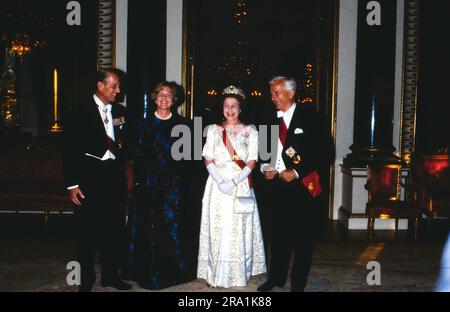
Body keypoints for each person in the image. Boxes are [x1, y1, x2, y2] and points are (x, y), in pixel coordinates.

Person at [257, 76, 329, 292]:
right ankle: (275, 278)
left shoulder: (312, 118)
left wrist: (297, 172)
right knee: (277, 237)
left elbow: (324, 153)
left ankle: (298, 284)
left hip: (301, 188)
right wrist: (265, 169)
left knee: (302, 240)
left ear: (291, 93)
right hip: (275, 188)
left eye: (277, 92)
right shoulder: (268, 118)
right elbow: (263, 153)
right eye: (271, 93)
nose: (273, 97)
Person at [63, 68, 132, 292]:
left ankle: (111, 276)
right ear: (100, 86)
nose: (118, 90)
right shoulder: (78, 112)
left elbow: (127, 143)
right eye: (114, 86)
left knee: (113, 231)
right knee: (87, 233)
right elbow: (70, 151)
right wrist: (72, 184)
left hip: (113, 179)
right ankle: (85, 281)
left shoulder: (121, 111)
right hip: (87, 180)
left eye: (119, 86)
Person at [124, 81, 194, 290]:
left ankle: (173, 271)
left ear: (175, 100)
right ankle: (143, 271)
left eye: (169, 95)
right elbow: (133, 155)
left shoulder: (186, 125)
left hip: (174, 187)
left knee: (171, 228)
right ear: (154, 98)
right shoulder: (140, 124)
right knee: (146, 227)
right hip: (148, 184)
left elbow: (190, 160)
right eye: (160, 94)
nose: (164, 98)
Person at [197, 85, 266, 288]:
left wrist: (234, 182)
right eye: (226, 106)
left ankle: (238, 274)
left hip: (240, 183)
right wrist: (220, 182)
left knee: (237, 229)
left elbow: (252, 161)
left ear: (240, 108)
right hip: (217, 184)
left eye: (234, 106)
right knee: (217, 228)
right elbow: (207, 158)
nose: (230, 110)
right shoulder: (213, 130)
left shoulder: (250, 131)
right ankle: (215, 274)